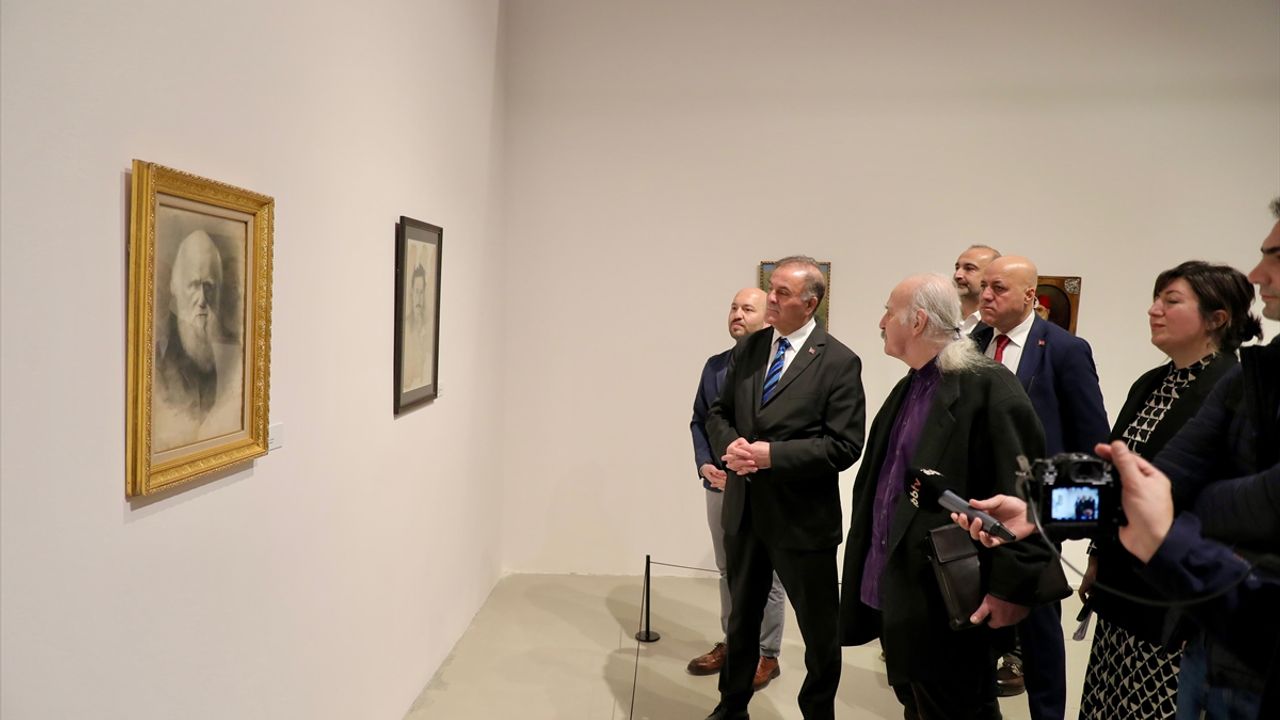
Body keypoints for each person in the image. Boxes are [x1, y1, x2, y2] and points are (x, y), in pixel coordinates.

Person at [838, 273, 1059, 720]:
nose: (881, 322)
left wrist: (1009, 590)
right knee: (918, 705)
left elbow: (1026, 495)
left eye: (888, 312)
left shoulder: (989, 387)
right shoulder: (913, 384)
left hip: (950, 600)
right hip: (905, 594)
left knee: (961, 709)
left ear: (918, 321)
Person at [949, 442, 1280, 720]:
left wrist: (1165, 534)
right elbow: (1144, 493)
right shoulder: (1232, 392)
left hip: (1234, 632)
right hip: (1204, 639)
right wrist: (1039, 512)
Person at [1077, 262, 1261, 720]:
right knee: (1108, 699)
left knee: (1151, 704)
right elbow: (1116, 478)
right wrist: (1097, 553)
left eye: (1171, 301)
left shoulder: (1232, 387)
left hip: (1173, 591)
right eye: (1156, 299)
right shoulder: (1151, 382)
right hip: (1123, 579)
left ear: (1217, 318)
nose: (1153, 310)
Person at [704, 256, 866, 720]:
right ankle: (732, 705)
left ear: (810, 304)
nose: (770, 299)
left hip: (802, 521)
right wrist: (731, 444)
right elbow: (718, 412)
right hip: (745, 512)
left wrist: (770, 456)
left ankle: (817, 713)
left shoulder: (838, 361)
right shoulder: (751, 348)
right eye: (770, 288)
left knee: (819, 633)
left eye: (782, 293)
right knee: (741, 621)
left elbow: (844, 445)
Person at [1145, 200, 1280, 718]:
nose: (1257, 274)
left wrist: (1178, 507)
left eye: (1275, 257)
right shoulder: (1252, 374)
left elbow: (1272, 500)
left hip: (1245, 621)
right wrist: (1043, 510)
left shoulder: (1225, 374)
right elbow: (1160, 478)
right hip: (1213, 619)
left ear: (1216, 319)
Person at [972, 255, 1110, 719]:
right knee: (977, 624)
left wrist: (1071, 518)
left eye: (998, 288)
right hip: (977, 509)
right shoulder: (972, 344)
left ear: (1030, 295)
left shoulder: (1065, 350)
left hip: (1035, 513)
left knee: (1039, 629)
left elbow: (1091, 443)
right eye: (984, 286)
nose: (985, 295)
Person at [688, 287, 788, 690]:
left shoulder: (780, 367)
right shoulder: (715, 366)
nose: (737, 314)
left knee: (769, 575)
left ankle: (767, 653)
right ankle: (734, 642)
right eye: (733, 307)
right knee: (728, 568)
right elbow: (699, 420)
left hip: (764, 488)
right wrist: (705, 464)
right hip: (719, 486)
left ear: (768, 318)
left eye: (748, 308)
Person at [153, 229, 241, 452]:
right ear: (175, 287)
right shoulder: (159, 352)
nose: (202, 299)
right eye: (193, 285)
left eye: (208, 286)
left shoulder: (233, 351)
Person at [953, 245, 1001, 335]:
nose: (957, 275)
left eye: (969, 268)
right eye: (957, 268)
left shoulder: (1000, 324)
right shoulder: (942, 317)